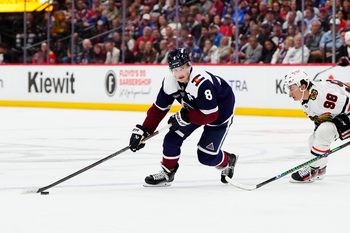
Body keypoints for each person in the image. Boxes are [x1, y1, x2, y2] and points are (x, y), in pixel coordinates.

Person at [129, 48, 238, 186]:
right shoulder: (169, 82)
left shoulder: (201, 83)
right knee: (172, 138)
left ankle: (228, 160)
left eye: (181, 68)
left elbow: (211, 115)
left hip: (220, 112)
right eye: (175, 69)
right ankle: (167, 173)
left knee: (206, 157)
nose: (179, 73)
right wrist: (144, 130)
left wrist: (185, 117)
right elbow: (158, 110)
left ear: (189, 65)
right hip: (194, 110)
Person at [284, 68, 350, 183]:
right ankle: (320, 169)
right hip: (342, 114)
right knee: (313, 140)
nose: (290, 94)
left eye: (292, 89)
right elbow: (319, 118)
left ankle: (312, 170)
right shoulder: (306, 97)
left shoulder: (322, 97)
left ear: (303, 86)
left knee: (324, 131)